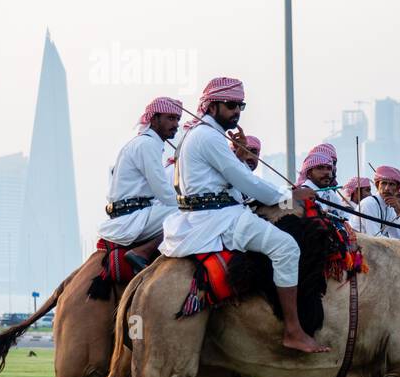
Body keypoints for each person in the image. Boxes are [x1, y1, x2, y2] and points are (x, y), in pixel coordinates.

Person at [161, 76, 328, 353]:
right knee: (287, 247)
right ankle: (293, 330)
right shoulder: (207, 136)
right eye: (230, 105)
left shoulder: (203, 135)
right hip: (219, 220)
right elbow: (244, 180)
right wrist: (289, 196)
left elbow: (230, 179)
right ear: (211, 106)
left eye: (241, 105)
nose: (237, 111)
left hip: (209, 214)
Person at [97, 97, 183, 265]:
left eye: (178, 119)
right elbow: (164, 194)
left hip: (132, 213)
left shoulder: (145, 143)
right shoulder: (147, 144)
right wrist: (191, 203)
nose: (176, 124)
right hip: (132, 219)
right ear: (154, 119)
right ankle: (142, 252)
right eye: (170, 118)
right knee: (189, 214)